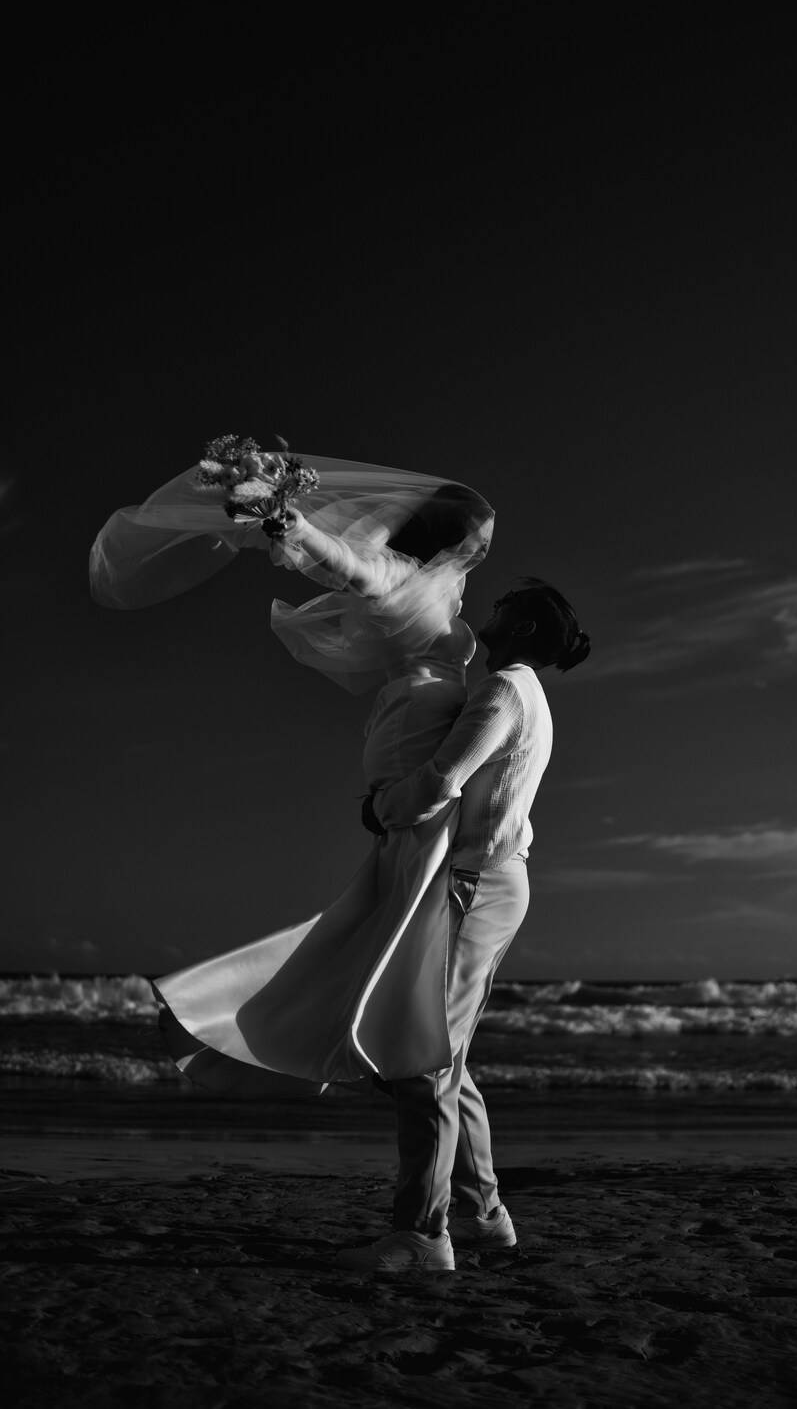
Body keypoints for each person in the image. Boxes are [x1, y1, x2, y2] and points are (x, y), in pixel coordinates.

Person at [90, 450, 498, 1088]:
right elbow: (348, 565)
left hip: (418, 725)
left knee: (395, 898)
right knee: (405, 893)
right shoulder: (396, 573)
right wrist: (294, 526)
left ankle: (372, 1026)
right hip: (413, 732)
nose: (486, 544)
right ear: (450, 533)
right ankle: (369, 1031)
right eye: (480, 533)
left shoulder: (446, 584)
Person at [333, 579, 591, 1273]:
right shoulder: (516, 690)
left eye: (503, 610)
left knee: (424, 1063)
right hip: (484, 882)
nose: (488, 615)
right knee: (442, 1058)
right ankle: (481, 1215)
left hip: (478, 886)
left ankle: (422, 1233)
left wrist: (381, 807)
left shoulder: (503, 691)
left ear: (526, 630)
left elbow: (444, 778)